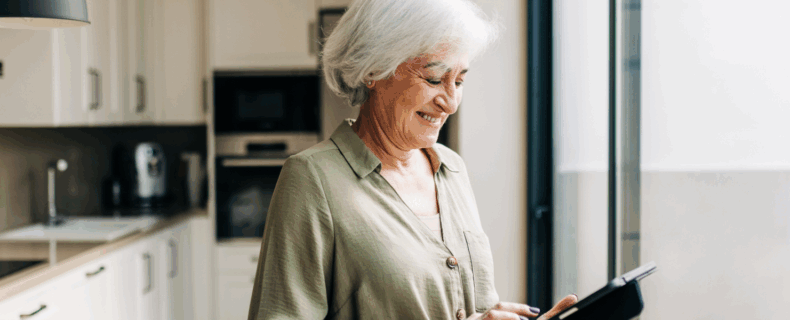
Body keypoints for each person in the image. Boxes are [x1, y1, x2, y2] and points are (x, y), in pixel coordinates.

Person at [247, 0, 577, 319]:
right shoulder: (313, 180)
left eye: (459, 81)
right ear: (373, 69)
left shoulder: (451, 168)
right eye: (433, 79)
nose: (450, 103)